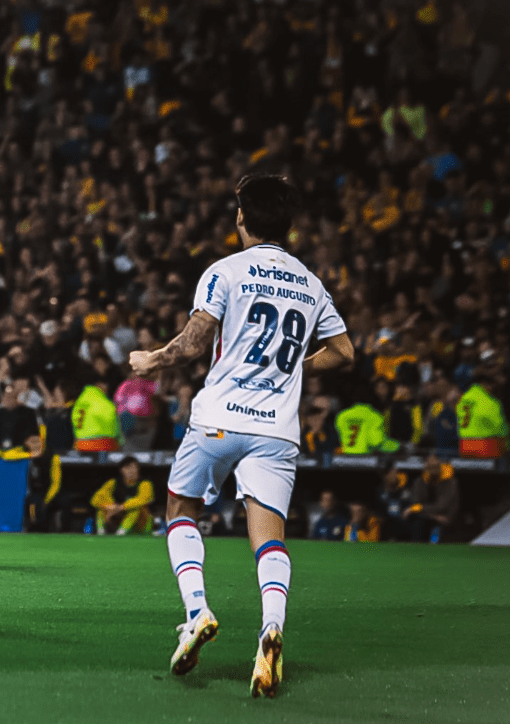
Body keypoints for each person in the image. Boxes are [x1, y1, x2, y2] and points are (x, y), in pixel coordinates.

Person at [130, 175, 353, 697]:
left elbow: (193, 341)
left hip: (220, 419)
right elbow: (344, 352)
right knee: (268, 538)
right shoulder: (311, 283)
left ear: (241, 219)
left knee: (181, 510)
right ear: (289, 224)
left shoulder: (225, 271)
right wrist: (294, 371)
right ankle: (271, 627)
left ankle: (197, 612)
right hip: (277, 429)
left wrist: (152, 360)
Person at [89, 457, 156, 535]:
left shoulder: (145, 484)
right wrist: (110, 507)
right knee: (101, 508)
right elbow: (95, 500)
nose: (132, 471)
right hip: (118, 519)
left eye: (135, 467)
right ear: (121, 470)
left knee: (135, 508)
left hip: (141, 525)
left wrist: (121, 507)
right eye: (128, 468)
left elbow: (142, 499)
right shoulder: (113, 483)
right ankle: (101, 532)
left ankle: (121, 533)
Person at [403, 455, 459, 543]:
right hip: (426, 516)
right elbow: (414, 502)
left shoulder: (450, 482)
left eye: (435, 467)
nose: (432, 471)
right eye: (430, 467)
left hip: (445, 519)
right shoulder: (420, 481)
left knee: (437, 533)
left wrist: (420, 508)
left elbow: (441, 506)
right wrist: (433, 516)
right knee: (416, 523)